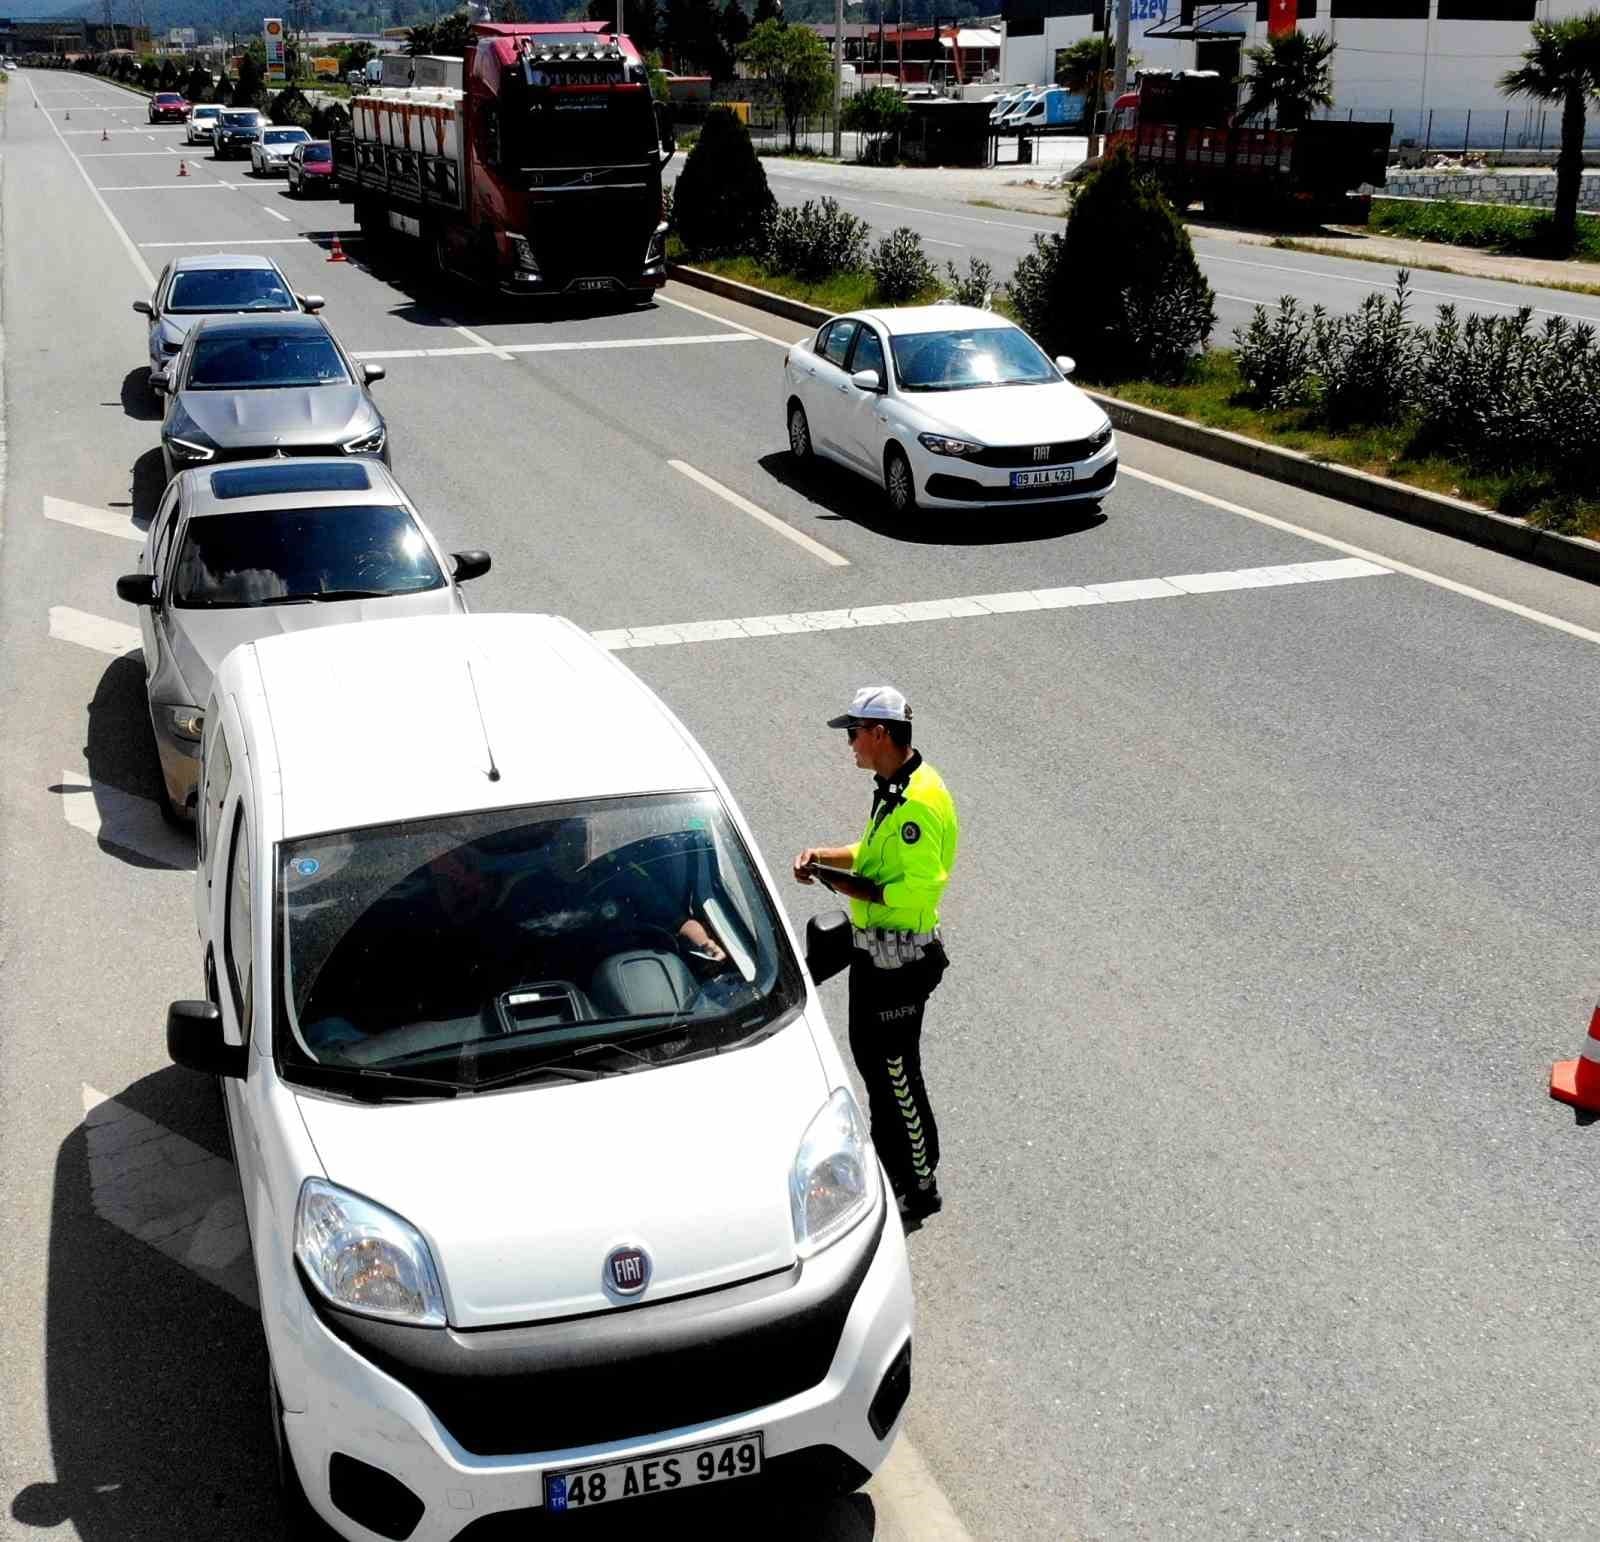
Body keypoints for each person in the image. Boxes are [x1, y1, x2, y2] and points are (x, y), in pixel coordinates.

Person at [793, 686, 959, 1225]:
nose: (850, 744)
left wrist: (836, 881)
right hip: (872, 955)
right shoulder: (891, 787)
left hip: (901, 965)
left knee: (896, 1072)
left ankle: (921, 1182)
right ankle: (889, 1166)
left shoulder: (917, 806)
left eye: (853, 733)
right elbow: (870, 854)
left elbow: (913, 892)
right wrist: (824, 856)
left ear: (880, 733)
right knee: (871, 1062)